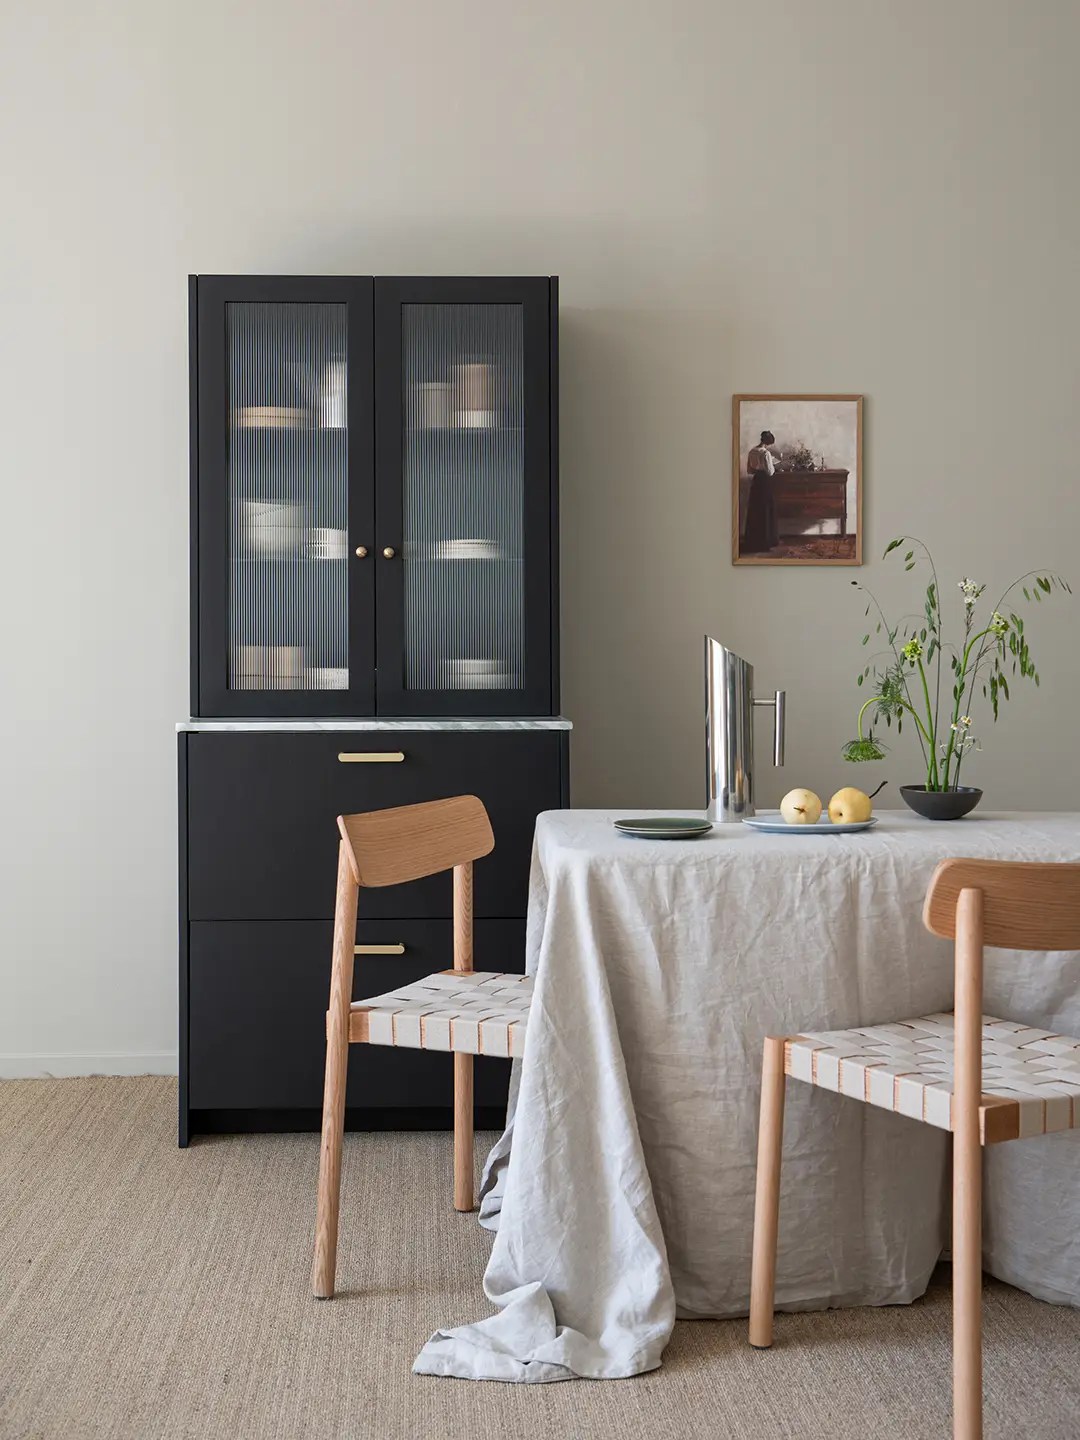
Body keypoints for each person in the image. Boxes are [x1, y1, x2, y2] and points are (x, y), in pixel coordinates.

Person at [742, 429, 779, 554]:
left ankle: (754, 541)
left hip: (756, 481)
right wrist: (773, 464)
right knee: (765, 509)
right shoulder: (765, 453)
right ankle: (765, 541)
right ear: (768, 442)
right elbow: (770, 471)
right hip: (765, 482)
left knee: (756, 510)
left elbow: (750, 471)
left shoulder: (752, 451)